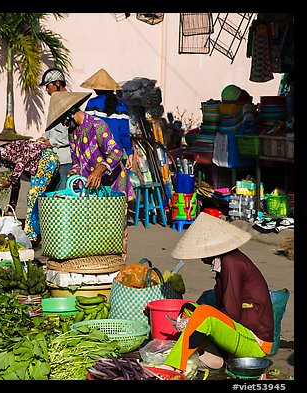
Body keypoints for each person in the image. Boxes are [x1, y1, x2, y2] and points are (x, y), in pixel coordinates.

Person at [160, 212, 274, 373]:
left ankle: (172, 365)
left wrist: (196, 320)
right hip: (239, 332)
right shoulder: (226, 261)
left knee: (204, 313)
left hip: (256, 343)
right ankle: (211, 357)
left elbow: (232, 313)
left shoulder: (232, 263)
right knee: (192, 308)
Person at [45, 91, 135, 201]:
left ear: (70, 114)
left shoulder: (97, 126)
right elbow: (76, 162)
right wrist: (73, 172)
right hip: (92, 186)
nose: (63, 125)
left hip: (112, 183)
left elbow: (116, 152)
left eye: (63, 121)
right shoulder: (72, 132)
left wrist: (100, 169)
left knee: (110, 217)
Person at [0, 131, 58, 243]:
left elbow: (21, 163)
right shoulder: (8, 157)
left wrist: (9, 180)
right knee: (40, 197)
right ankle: (41, 230)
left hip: (46, 160)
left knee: (33, 196)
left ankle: (31, 235)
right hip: (47, 160)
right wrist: (11, 207)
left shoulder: (2, 152)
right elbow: (16, 184)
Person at [81, 68, 134, 170]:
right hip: (116, 153)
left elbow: (86, 129)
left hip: (97, 153)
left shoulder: (92, 103)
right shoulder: (121, 105)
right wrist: (129, 153)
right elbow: (124, 133)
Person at [36, 68, 72, 191]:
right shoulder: (55, 102)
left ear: (57, 83)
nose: (46, 90)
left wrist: (50, 142)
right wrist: (44, 137)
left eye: (48, 86)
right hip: (53, 158)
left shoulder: (70, 102)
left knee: (62, 196)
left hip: (65, 159)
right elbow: (53, 127)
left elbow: (68, 134)